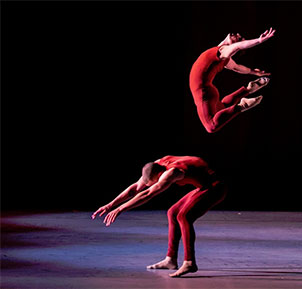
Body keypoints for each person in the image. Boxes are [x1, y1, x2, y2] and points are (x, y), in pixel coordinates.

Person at [92, 155, 227, 278]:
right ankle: (171, 260)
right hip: (202, 186)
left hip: (215, 188)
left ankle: (189, 262)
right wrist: (110, 205)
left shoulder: (172, 173)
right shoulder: (157, 164)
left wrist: (121, 208)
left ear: (159, 175)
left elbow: (148, 194)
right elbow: (136, 189)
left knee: (184, 216)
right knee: (172, 213)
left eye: (154, 181)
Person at [189, 27, 276, 133]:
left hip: (203, 93)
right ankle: (247, 90)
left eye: (240, 39)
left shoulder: (222, 52)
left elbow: (237, 47)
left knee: (211, 126)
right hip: (209, 91)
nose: (238, 34)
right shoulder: (224, 59)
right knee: (222, 109)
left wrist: (259, 40)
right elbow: (237, 67)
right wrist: (253, 72)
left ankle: (242, 105)